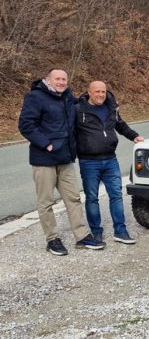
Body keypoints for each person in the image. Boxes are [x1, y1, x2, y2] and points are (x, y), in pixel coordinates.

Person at [18, 69, 105, 255]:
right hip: (44, 159)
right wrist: (45, 144)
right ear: (48, 80)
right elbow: (26, 125)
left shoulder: (67, 97)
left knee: (73, 198)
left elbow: (85, 102)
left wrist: (106, 102)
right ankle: (52, 239)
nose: (61, 82)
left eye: (64, 79)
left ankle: (82, 236)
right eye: (57, 78)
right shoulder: (35, 97)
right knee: (46, 202)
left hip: (65, 159)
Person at [75, 81, 144, 245]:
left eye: (103, 91)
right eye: (97, 91)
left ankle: (120, 231)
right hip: (89, 161)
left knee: (116, 195)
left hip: (110, 160)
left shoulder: (111, 108)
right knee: (92, 198)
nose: (100, 94)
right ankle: (96, 233)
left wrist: (134, 136)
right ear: (89, 92)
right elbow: (69, 132)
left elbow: (120, 125)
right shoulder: (78, 110)